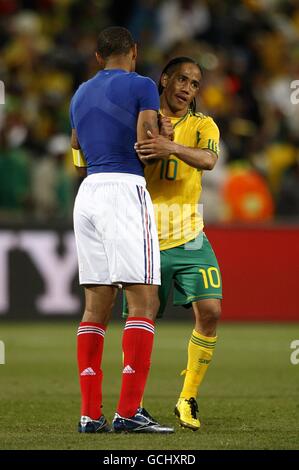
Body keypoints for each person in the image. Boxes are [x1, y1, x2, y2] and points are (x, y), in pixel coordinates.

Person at [70, 26, 173, 434]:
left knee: (96, 308)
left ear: (98, 57)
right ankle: (129, 411)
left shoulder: (79, 93)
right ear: (134, 51)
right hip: (124, 189)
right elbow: (146, 145)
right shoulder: (143, 85)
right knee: (143, 301)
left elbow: (77, 150)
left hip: (88, 191)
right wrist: (162, 134)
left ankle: (90, 414)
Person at [133, 57, 222, 431]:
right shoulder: (141, 119)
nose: (187, 88)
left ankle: (188, 397)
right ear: (165, 79)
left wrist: (171, 147)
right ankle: (131, 404)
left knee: (211, 311)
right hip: (146, 235)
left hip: (189, 237)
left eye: (195, 83)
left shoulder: (203, 125)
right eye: (182, 79)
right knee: (142, 319)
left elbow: (209, 160)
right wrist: (154, 140)